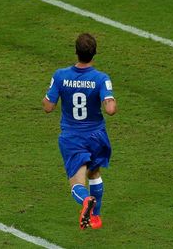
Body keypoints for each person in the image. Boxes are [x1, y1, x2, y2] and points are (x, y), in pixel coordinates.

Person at [42, 33, 117, 230]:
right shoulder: (101, 78)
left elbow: (48, 106)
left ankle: (86, 202)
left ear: (76, 52)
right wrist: (109, 102)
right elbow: (110, 109)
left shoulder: (60, 76)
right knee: (94, 173)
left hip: (72, 137)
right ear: (95, 53)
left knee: (77, 184)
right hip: (97, 135)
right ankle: (96, 218)